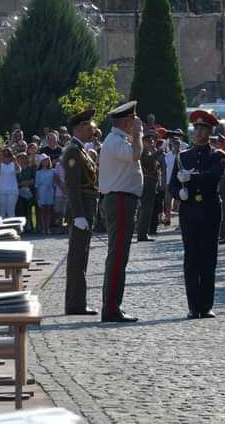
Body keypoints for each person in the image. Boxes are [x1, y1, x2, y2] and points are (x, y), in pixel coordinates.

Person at [169, 109, 225, 318]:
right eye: (196, 128)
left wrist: (191, 179)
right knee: (191, 258)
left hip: (210, 210)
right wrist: (179, 193)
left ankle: (206, 305)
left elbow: (213, 177)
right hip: (190, 211)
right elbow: (172, 186)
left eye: (202, 129)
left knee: (209, 258)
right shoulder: (183, 156)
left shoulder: (219, 156)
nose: (198, 132)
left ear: (210, 131)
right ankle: (194, 306)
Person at [97, 101, 144, 323]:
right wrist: (139, 134)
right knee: (117, 257)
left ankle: (113, 305)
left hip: (122, 200)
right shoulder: (116, 141)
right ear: (127, 121)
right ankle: (111, 308)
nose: (136, 123)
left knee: (118, 255)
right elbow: (136, 154)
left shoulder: (117, 139)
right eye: (133, 120)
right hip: (120, 200)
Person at [62, 109, 100, 315]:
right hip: (81, 211)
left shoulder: (81, 150)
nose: (92, 130)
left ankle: (77, 302)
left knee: (82, 256)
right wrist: (78, 215)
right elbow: (72, 185)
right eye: (88, 127)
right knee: (77, 257)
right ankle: (75, 304)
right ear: (78, 128)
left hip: (86, 208)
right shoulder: (73, 151)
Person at [137, 126, 160, 242]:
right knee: (145, 209)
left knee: (148, 210)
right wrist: (160, 150)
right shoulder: (142, 152)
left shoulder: (150, 151)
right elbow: (148, 160)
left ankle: (143, 232)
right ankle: (141, 234)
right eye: (148, 141)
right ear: (143, 142)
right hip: (146, 183)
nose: (151, 143)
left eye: (152, 141)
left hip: (151, 183)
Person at [34, 156, 56, 234]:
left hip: (50, 190)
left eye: (47, 161)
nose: (46, 162)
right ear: (41, 162)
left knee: (49, 210)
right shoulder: (38, 172)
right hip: (41, 191)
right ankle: (43, 228)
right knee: (42, 210)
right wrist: (37, 195)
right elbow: (36, 184)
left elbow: (54, 182)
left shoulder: (53, 171)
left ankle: (48, 227)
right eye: (44, 161)